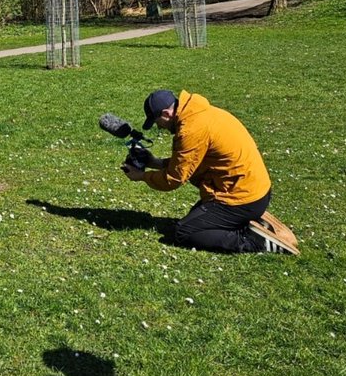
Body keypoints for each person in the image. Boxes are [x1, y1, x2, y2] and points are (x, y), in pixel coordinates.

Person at [121, 88, 299, 255]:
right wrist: (155, 162)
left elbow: (173, 179)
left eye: (157, 122)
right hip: (256, 191)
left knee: (184, 232)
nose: (160, 127)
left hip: (241, 198)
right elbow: (193, 162)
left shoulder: (190, 130)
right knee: (198, 219)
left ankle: (253, 240)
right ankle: (251, 219)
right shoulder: (202, 113)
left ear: (166, 114)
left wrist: (142, 176)